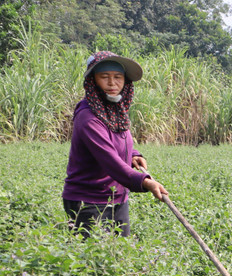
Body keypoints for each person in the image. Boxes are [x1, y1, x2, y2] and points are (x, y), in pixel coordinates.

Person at [62, 51, 167, 237]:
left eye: (118, 77)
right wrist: (145, 182)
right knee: (90, 255)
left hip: (117, 198)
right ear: (93, 80)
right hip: (88, 202)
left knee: (120, 252)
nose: (112, 83)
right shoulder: (88, 118)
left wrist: (133, 153)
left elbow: (117, 138)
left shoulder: (114, 109)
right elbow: (110, 160)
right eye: (104, 77)